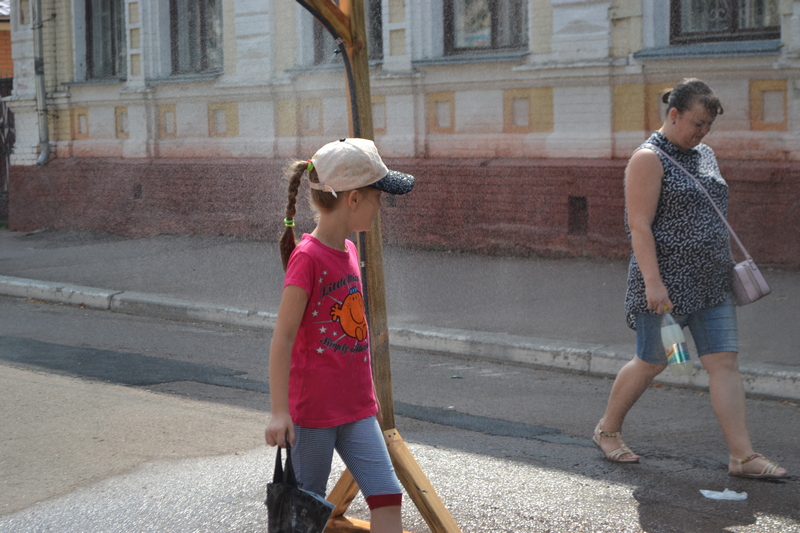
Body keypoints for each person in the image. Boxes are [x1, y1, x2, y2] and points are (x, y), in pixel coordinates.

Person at [593, 78, 788, 479]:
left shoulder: (704, 155)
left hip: (713, 282)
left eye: (708, 126)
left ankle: (743, 457)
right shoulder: (648, 159)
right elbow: (639, 226)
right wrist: (653, 283)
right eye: (697, 123)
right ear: (674, 114)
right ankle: (607, 430)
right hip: (665, 285)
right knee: (652, 362)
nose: (702, 132)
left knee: (724, 363)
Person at [265, 138, 414, 532]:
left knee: (386, 494)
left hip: (357, 409)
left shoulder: (348, 250)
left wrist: (369, 393)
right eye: (377, 197)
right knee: (305, 510)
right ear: (353, 200)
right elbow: (282, 340)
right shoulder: (307, 258)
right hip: (313, 415)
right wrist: (280, 412)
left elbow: (354, 333)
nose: (380, 207)